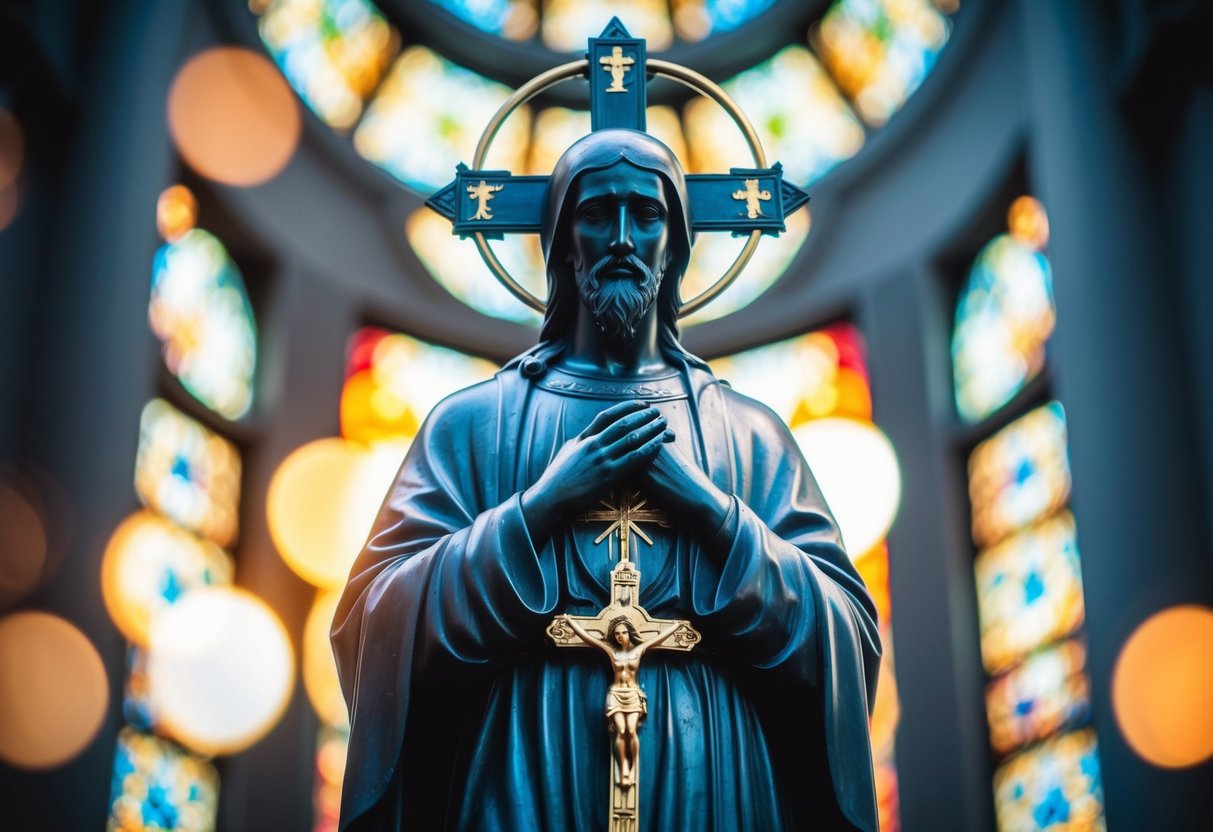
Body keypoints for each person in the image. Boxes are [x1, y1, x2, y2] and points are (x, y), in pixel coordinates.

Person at [332, 129, 882, 831]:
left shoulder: (748, 435)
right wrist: (539, 507)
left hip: (713, 774)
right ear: (563, 242)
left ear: (675, 245)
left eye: (646, 215)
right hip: (523, 762)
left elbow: (845, 635)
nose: (622, 237)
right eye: (596, 214)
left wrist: (712, 513)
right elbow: (372, 623)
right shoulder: (473, 426)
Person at [558, 614, 686, 789]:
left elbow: (659, 638)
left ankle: (633, 767)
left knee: (631, 730)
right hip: (616, 694)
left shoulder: (638, 651)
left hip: (633, 694)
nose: (620, 636)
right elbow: (587, 637)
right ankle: (624, 766)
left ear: (629, 633)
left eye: (624, 632)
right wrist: (571, 621)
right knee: (621, 730)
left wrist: (676, 626)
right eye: (617, 633)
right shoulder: (612, 653)